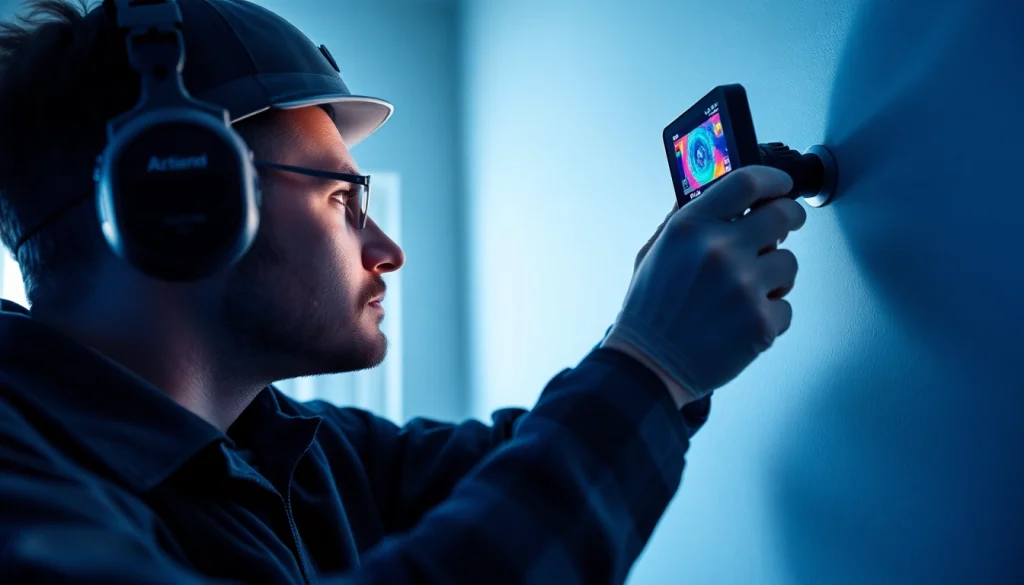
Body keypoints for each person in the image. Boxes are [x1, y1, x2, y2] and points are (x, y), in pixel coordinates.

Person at [0, 0, 807, 583]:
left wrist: (658, 348)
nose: (388, 250)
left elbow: (510, 479)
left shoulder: (280, 447)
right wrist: (649, 364)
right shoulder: (23, 499)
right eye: (344, 201)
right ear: (181, 200)